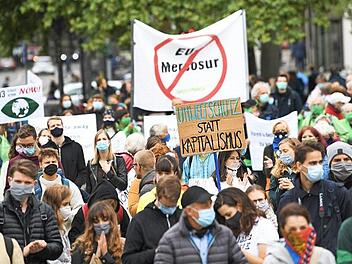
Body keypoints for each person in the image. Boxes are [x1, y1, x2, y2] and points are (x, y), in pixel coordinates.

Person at [278, 141, 352, 255]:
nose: (318, 167)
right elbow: (284, 236)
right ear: (298, 166)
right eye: (312, 163)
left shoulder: (338, 192)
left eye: (320, 162)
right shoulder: (288, 200)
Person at [154, 186, 247, 264]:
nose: (209, 209)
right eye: (204, 206)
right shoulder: (170, 239)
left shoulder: (225, 234)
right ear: (189, 211)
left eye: (210, 203)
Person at [0, 159, 63, 263]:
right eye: (18, 182)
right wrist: (20, 252)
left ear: (34, 183)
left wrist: (44, 248)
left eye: (27, 183)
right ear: (10, 180)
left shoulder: (44, 210)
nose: (22, 186)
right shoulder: (1, 211)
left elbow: (57, 247)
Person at [123, 176, 182, 263]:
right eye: (166, 206)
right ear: (157, 196)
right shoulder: (140, 221)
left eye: (172, 206)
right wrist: (156, 253)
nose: (170, 209)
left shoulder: (183, 218)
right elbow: (128, 259)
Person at [214, 187, 279, 264]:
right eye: (224, 217)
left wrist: (236, 249)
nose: (227, 219)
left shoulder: (263, 226)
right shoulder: (235, 230)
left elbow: (265, 262)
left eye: (229, 214)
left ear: (240, 206)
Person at [264, 203, 335, 264]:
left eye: (303, 228)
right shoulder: (273, 260)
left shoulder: (324, 257)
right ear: (283, 230)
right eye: (293, 229)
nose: (298, 232)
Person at [35, 148, 84, 230]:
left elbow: (79, 207)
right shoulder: (35, 188)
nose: (51, 164)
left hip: (68, 230)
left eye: (53, 162)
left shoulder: (68, 185)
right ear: (40, 164)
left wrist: (68, 216)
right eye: (47, 162)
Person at [47, 116, 88, 187]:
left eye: (58, 125)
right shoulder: (45, 149)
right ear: (48, 129)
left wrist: (74, 186)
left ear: (63, 126)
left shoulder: (76, 147)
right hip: (52, 189)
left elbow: (82, 171)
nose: (56, 127)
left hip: (74, 188)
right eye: (53, 126)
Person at [86, 129, 127, 193]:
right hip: (97, 200)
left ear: (109, 142)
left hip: (114, 200)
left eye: (104, 139)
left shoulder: (118, 160)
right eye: (99, 140)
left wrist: (109, 173)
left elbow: (123, 185)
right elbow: (89, 188)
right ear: (95, 144)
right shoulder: (91, 164)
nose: (101, 141)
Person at [42, 185, 72, 264]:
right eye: (65, 204)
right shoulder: (47, 229)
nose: (68, 207)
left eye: (69, 204)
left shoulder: (62, 226)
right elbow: (51, 259)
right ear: (55, 205)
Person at [5, 125, 40, 191]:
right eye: (23, 145)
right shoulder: (14, 162)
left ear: (37, 140)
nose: (26, 148)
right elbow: (8, 188)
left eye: (30, 145)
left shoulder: (48, 158)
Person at [269, 138, 300, 211]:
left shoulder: (304, 170)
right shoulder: (277, 171)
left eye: (285, 151)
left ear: (296, 151)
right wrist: (279, 189)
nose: (282, 154)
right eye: (280, 152)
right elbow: (272, 199)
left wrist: (293, 189)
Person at [127, 150, 155, 216]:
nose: (133, 168)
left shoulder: (146, 190)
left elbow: (144, 215)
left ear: (139, 166)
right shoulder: (160, 180)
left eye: (134, 165)